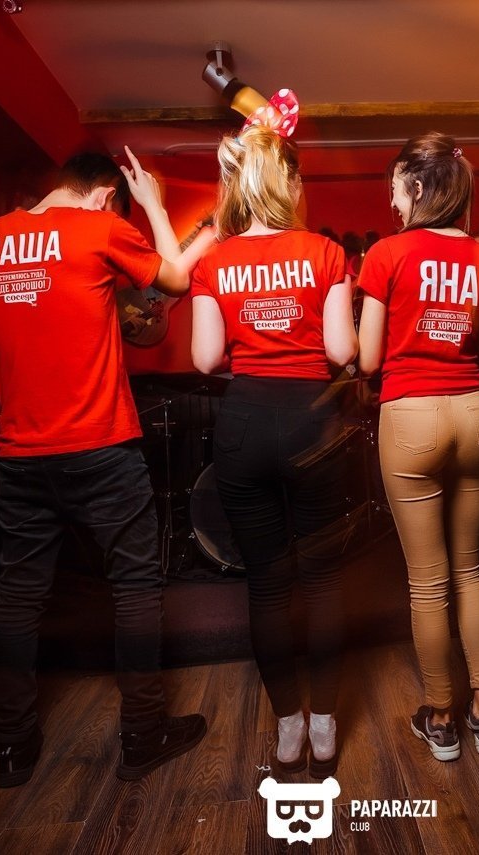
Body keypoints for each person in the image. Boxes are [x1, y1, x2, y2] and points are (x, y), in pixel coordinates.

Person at [0, 150, 213, 788]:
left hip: (21, 454)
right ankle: (142, 734)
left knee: (18, 596)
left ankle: (12, 746)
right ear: (104, 197)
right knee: (134, 588)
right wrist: (152, 204)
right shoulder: (100, 228)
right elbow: (175, 280)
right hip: (103, 448)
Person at [190, 124, 357, 779]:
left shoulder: (213, 262)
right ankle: (326, 725)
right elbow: (342, 351)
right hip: (312, 421)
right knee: (323, 580)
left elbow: (205, 357)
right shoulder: (325, 251)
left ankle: (289, 729)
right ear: (285, 183)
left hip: (244, 423)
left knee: (266, 583)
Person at [357, 133, 479, 761]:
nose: (392, 201)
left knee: (428, 583)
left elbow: (369, 359)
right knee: (469, 567)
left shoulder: (386, 253)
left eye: (396, 188)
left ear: (417, 187)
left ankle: (442, 718)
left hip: (412, 415)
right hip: (474, 411)